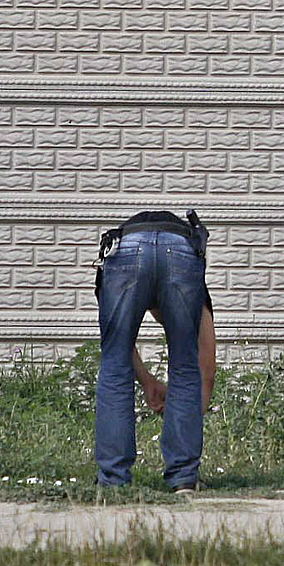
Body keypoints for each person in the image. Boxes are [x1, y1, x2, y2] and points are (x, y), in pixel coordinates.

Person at [94, 209, 217, 492]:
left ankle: (113, 481)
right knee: (185, 365)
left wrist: (147, 380)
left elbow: (116, 350)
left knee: (113, 367)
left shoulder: (126, 272)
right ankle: (184, 478)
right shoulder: (191, 282)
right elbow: (204, 365)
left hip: (125, 247)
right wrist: (186, 416)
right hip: (181, 251)